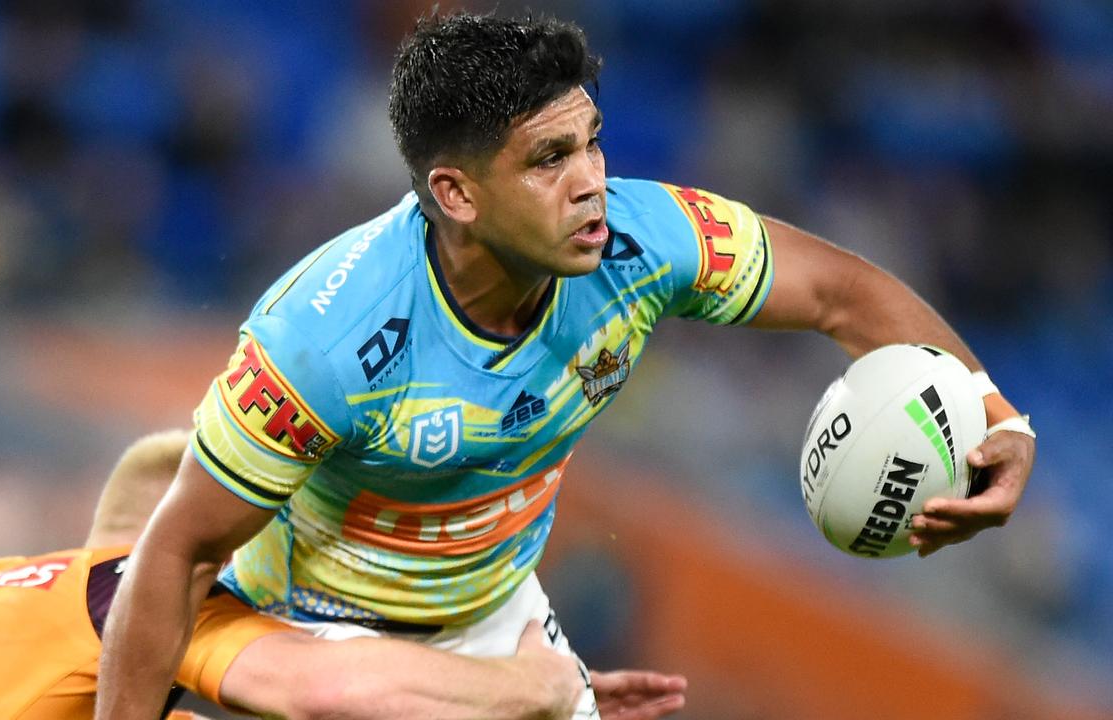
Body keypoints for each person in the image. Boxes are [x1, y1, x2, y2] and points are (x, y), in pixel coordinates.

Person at [97, 11, 1037, 720]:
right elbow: (176, 554)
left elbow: (841, 294)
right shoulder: (326, 341)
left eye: (590, 140)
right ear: (456, 193)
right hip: (316, 641)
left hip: (497, 612)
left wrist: (997, 417)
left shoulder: (641, 238)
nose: (592, 179)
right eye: (549, 159)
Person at [0, 429, 687, 720]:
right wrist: (523, 687)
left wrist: (473, 689)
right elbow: (320, 689)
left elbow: (147, 474)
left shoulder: (27, 589)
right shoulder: (144, 601)